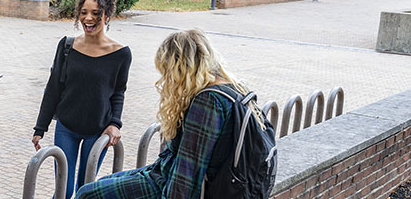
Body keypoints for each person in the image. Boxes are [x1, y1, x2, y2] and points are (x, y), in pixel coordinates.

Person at [74, 29, 268, 199]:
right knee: (104, 183)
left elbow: (187, 175)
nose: (166, 80)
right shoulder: (234, 88)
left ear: (180, 69)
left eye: (167, 72)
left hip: (170, 183)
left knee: (88, 194)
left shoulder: (208, 102)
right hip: (165, 171)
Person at [31, 0, 132, 199]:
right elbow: (53, 88)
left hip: (98, 130)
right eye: (84, 12)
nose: (88, 18)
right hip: (67, 127)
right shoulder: (67, 46)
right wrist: (41, 127)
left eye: (96, 13)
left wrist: (115, 123)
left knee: (84, 190)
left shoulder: (121, 54)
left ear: (107, 14)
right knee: (63, 191)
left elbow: (118, 93)